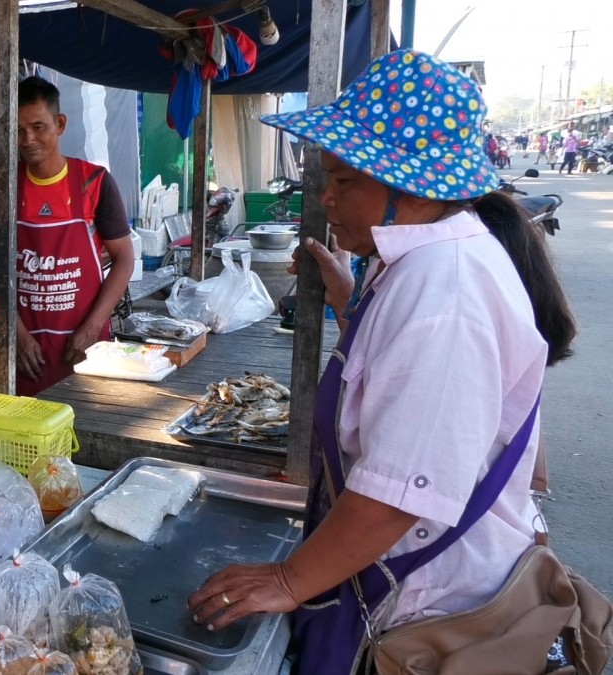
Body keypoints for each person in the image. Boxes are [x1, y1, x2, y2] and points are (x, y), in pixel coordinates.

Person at [187, 50, 576, 674]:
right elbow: (403, 379)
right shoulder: (421, 263)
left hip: (430, 611)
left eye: (345, 182)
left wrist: (289, 579)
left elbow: (398, 494)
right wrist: (350, 300)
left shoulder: (444, 293)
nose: (328, 199)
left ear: (411, 185)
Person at [0, 76, 135, 396]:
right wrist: (17, 334)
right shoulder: (3, 186)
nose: (28, 140)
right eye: (19, 130)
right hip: (27, 352)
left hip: (87, 347)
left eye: (38, 127)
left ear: (60, 124)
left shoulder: (94, 182)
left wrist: (93, 328)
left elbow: (123, 259)